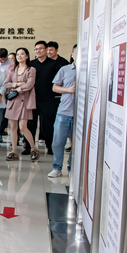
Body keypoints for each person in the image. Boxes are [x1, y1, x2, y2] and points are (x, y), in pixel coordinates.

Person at [5, 47, 39, 161]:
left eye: (22, 54)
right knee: (13, 127)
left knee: (23, 127)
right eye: (18, 54)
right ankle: (14, 151)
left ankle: (33, 149)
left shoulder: (31, 69)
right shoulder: (12, 69)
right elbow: (6, 84)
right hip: (13, 101)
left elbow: (29, 84)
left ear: (27, 56)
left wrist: (18, 89)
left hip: (25, 100)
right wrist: (17, 84)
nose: (19, 56)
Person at [48, 45, 78, 177]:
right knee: (58, 142)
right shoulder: (65, 69)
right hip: (64, 111)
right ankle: (57, 167)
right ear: (72, 54)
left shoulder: (89, 70)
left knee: (76, 144)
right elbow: (55, 88)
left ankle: (72, 168)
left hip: (80, 114)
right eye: (77, 53)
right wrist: (68, 90)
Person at [26, 40, 60, 154]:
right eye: (36, 49)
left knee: (48, 124)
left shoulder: (54, 64)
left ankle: (50, 146)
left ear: (46, 50)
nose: (38, 51)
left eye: (41, 49)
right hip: (32, 99)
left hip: (48, 99)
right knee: (31, 124)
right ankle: (29, 147)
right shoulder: (31, 64)